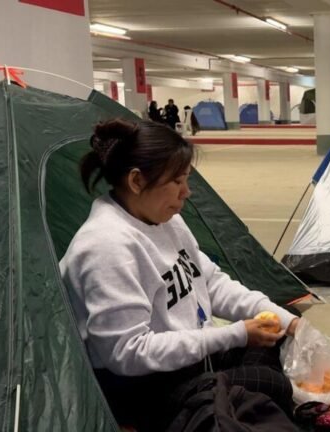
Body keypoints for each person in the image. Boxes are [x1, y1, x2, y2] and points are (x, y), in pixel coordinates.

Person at [59, 119, 300, 431]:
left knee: (280, 328)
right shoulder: (106, 247)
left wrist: (288, 321)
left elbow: (210, 283)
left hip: (189, 356)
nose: (186, 193)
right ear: (136, 180)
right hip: (145, 385)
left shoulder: (166, 219)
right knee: (275, 385)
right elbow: (127, 353)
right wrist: (236, 333)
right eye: (177, 181)